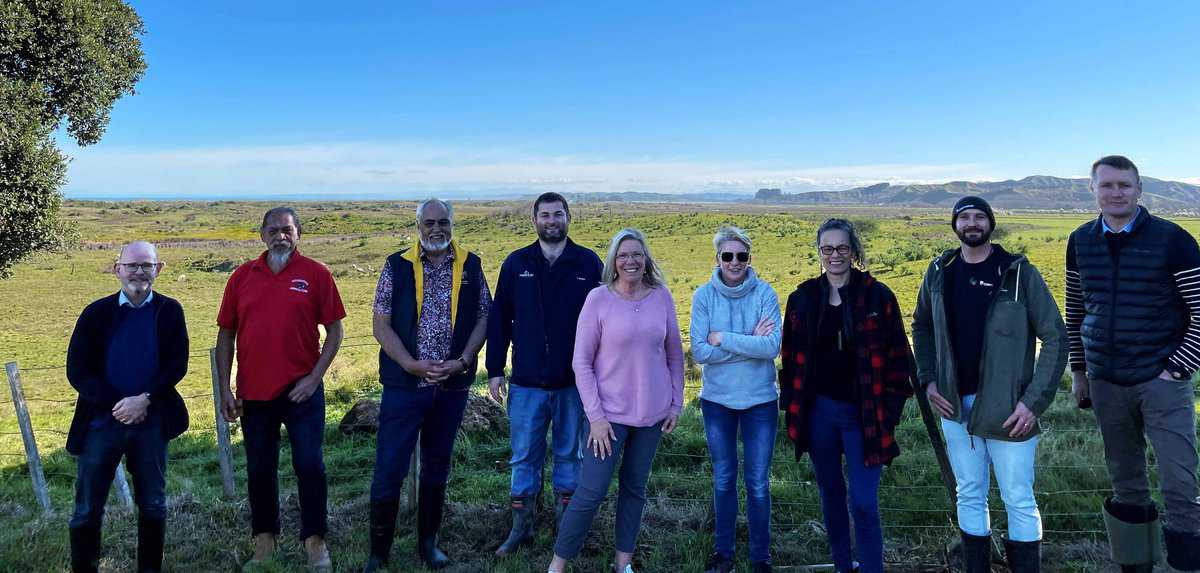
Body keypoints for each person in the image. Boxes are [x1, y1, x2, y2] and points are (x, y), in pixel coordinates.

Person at [912, 197, 1066, 573]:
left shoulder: (1018, 272)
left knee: (1018, 497)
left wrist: (1033, 403)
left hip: (1009, 408)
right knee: (969, 494)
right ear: (955, 224)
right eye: (964, 216)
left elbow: (1056, 336)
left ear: (991, 223)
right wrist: (929, 379)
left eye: (979, 216)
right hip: (952, 402)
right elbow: (921, 326)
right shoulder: (939, 271)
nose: (972, 222)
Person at [1066, 155, 1200, 573]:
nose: (1116, 192)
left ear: (1139, 189)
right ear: (1093, 190)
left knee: (1180, 482)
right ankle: (1135, 565)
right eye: (1106, 185)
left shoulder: (1172, 239)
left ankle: (1185, 565)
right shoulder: (1080, 240)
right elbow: (1075, 309)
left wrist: (1176, 369)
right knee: (1126, 483)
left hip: (1162, 379)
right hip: (1106, 380)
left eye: (1124, 184)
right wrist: (1080, 371)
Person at [362, 198, 490, 571]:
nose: (437, 229)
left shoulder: (471, 264)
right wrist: (410, 364)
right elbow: (380, 323)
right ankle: (378, 552)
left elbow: (484, 316)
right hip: (404, 385)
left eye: (443, 222)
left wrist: (463, 361)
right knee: (389, 466)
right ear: (418, 226)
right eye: (429, 222)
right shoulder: (396, 264)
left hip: (451, 386)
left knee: (437, 466)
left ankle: (428, 544)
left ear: (452, 224)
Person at [546, 228, 685, 573]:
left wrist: (676, 403)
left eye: (637, 254)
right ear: (613, 261)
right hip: (607, 420)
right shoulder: (598, 299)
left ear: (646, 258)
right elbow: (581, 362)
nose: (631, 261)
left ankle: (623, 563)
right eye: (623, 255)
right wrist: (595, 416)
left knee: (634, 490)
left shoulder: (662, 296)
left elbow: (675, 356)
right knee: (590, 492)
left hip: (652, 416)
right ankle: (557, 565)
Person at [780, 218, 914, 573]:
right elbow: (790, 361)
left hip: (866, 416)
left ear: (854, 251)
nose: (835, 255)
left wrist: (889, 411)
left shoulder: (878, 296)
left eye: (842, 248)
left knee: (864, 501)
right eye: (827, 248)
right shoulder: (802, 298)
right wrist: (794, 412)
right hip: (819, 414)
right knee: (832, 498)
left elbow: (900, 360)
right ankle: (843, 565)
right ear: (819, 252)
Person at [215, 207, 345, 570]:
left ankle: (315, 540)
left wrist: (315, 377)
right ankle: (265, 540)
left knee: (309, 464)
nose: (280, 236)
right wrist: (225, 388)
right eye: (272, 230)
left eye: (287, 230)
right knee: (259, 467)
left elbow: (335, 331)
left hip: (303, 390)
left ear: (298, 233)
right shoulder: (242, 277)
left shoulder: (316, 274)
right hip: (254, 393)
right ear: (261, 235)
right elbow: (225, 333)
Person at [487, 192, 603, 556]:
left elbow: (605, 322)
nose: (551, 221)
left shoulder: (587, 263)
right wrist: (494, 370)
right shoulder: (516, 263)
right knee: (523, 457)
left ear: (569, 218)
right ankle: (521, 529)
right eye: (545, 215)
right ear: (534, 220)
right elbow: (499, 319)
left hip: (574, 385)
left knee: (570, 457)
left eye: (558, 214)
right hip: (525, 383)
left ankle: (565, 532)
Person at [65, 241, 189, 573]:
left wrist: (144, 400)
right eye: (132, 265)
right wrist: (118, 405)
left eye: (146, 265)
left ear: (158, 269)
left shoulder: (170, 311)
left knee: (152, 505)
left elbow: (177, 365)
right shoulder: (96, 313)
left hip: (151, 422)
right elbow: (77, 370)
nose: (139, 271)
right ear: (117, 268)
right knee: (87, 508)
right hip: (100, 425)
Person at [690, 226, 781, 573]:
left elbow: (771, 347)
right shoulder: (703, 296)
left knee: (758, 482)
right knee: (724, 478)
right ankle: (723, 553)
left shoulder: (765, 293)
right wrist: (748, 343)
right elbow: (699, 351)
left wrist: (723, 338)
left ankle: (761, 556)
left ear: (749, 258)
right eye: (727, 255)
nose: (734, 262)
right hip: (717, 402)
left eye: (741, 256)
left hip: (759, 401)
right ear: (717, 259)